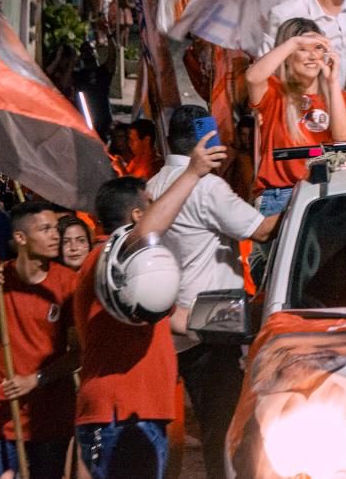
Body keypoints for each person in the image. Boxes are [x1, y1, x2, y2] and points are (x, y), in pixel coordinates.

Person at [75, 136, 224, 479]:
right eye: (152, 204)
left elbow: (177, 320)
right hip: (120, 414)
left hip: (137, 413)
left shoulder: (132, 279)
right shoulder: (108, 258)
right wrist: (192, 173)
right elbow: (146, 231)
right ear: (138, 214)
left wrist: (242, 319)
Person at [148, 106, 280, 479]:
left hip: (174, 315)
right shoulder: (206, 186)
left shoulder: (156, 184)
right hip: (212, 317)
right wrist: (301, 192)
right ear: (207, 140)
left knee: (198, 422)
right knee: (222, 424)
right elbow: (263, 230)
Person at [0, 203, 79, 479]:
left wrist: (35, 379)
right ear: (20, 238)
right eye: (45, 229)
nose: (56, 236)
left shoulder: (68, 283)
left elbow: (78, 353)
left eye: (55, 228)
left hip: (48, 419)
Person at [248, 18, 346, 220]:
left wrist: (332, 82)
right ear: (287, 55)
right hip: (280, 197)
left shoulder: (338, 97)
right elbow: (253, 77)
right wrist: (294, 42)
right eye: (303, 49)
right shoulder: (274, 92)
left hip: (325, 193)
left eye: (318, 48)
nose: (313, 56)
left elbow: (342, 136)